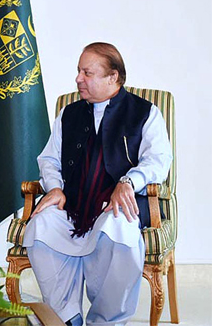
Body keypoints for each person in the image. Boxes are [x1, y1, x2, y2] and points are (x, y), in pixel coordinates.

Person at [22, 43, 172, 326]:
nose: (78, 79)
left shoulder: (145, 113)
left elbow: (159, 160)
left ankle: (106, 320)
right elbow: (49, 160)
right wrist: (54, 187)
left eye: (87, 73)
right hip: (74, 208)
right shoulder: (69, 114)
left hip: (114, 209)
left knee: (119, 226)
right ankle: (67, 317)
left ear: (113, 77)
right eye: (79, 71)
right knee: (40, 225)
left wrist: (129, 182)